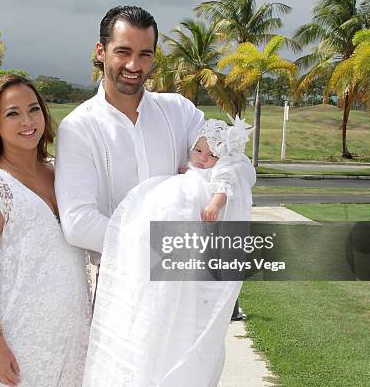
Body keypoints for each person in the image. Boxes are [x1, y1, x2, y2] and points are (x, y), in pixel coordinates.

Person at [83, 117, 256, 386]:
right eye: (198, 151)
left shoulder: (222, 172)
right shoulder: (193, 169)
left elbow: (224, 186)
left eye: (210, 155)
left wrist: (214, 204)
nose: (202, 158)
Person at [0, 75, 91, 387]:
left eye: (33, 109)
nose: (27, 121)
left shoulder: (63, 172)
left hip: (69, 340)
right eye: (13, 113)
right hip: (18, 345)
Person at [55, 5, 205, 267]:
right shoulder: (78, 127)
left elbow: (225, 167)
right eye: (123, 52)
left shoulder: (180, 111)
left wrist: (200, 179)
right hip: (120, 282)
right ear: (101, 51)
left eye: (144, 54)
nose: (134, 65)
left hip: (186, 278)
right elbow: (78, 223)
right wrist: (164, 246)